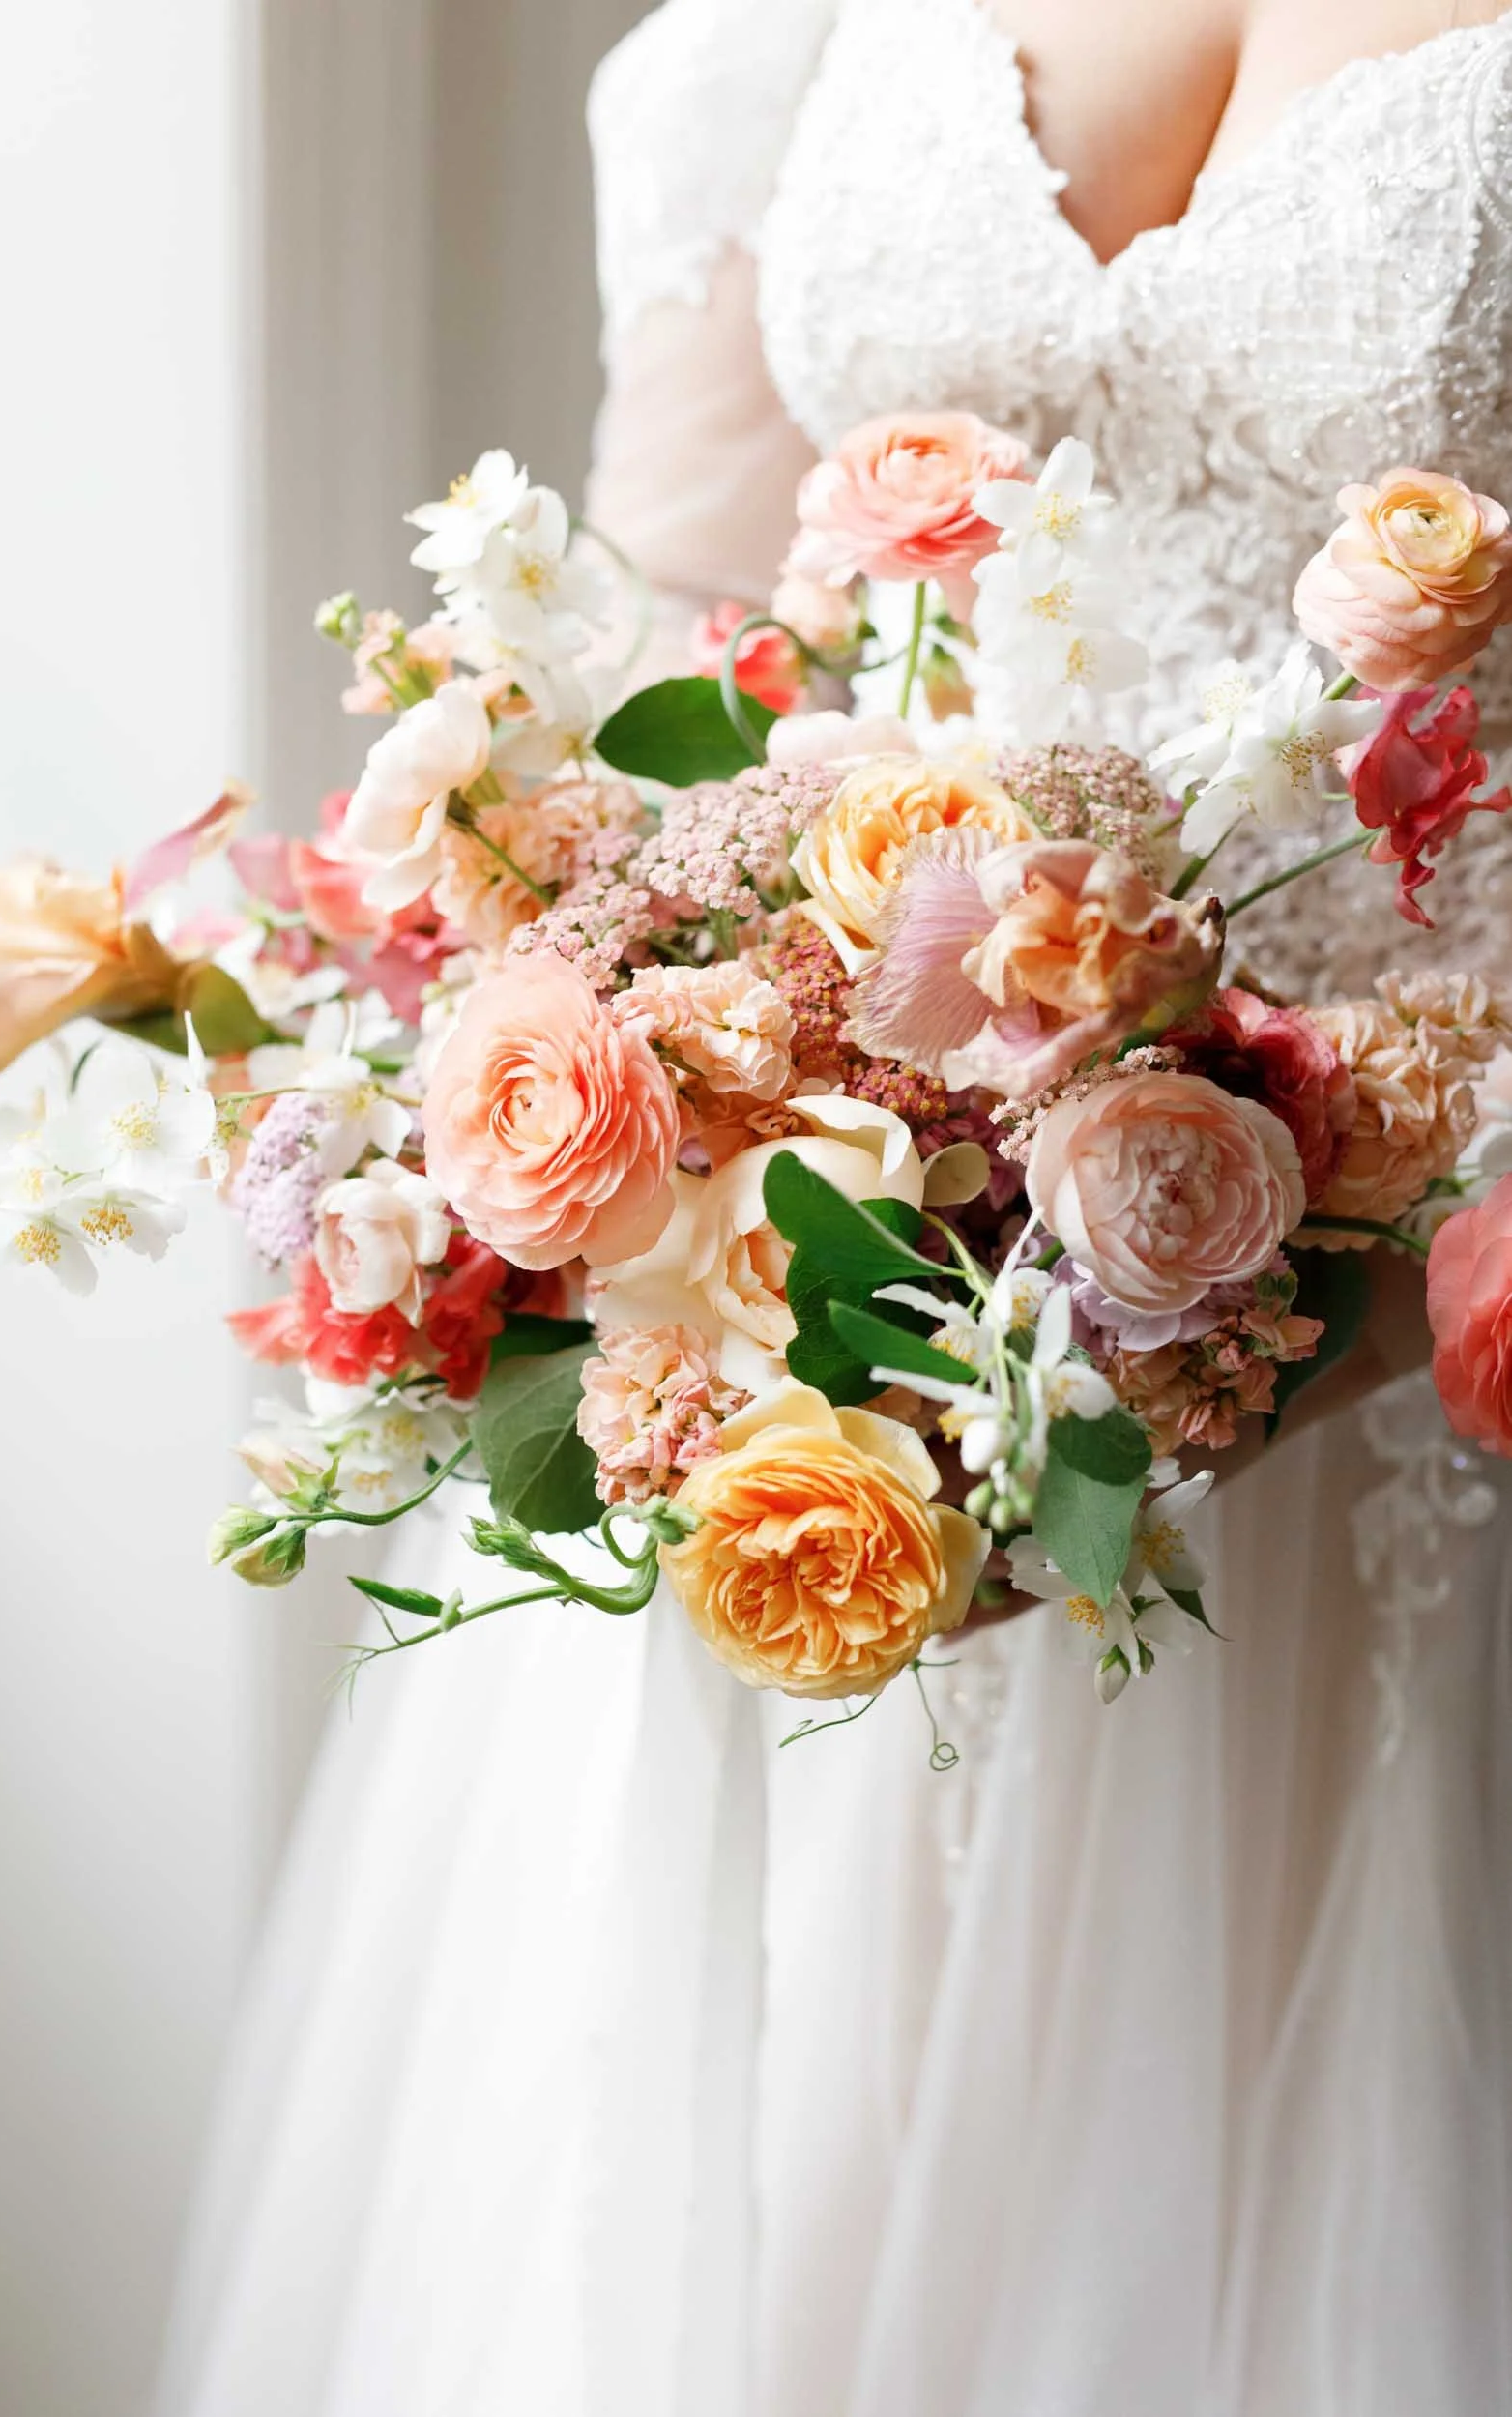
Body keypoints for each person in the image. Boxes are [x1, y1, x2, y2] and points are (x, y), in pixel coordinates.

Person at [156, 6, 1512, 2410]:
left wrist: (1381, 1234)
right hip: (871, 1310)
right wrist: (614, 1063)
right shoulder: (766, 47)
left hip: (1439, 1358)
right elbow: (688, 638)